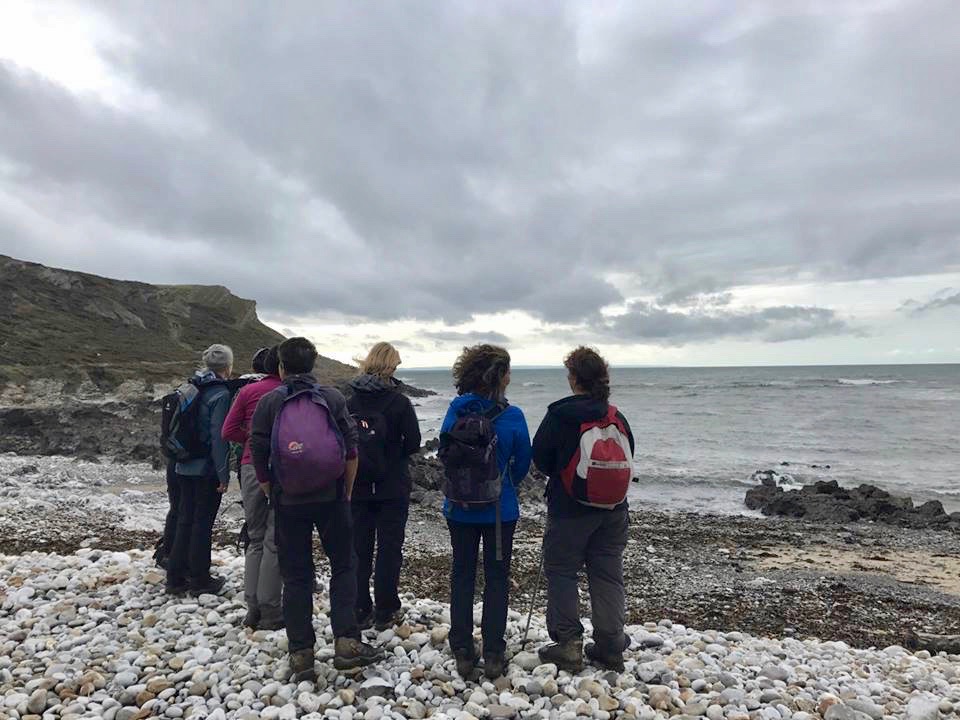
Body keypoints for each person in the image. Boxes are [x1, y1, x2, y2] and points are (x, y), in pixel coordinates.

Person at [250, 337, 382, 681]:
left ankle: (302, 654)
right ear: (314, 365)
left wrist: (272, 492)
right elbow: (351, 450)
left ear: (281, 367)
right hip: (331, 498)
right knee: (343, 566)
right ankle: (347, 644)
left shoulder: (269, 402)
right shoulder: (333, 397)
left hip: (288, 500)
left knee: (296, 575)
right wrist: (347, 492)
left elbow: (259, 456)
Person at [533, 347, 635, 673]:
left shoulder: (561, 416)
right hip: (614, 509)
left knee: (562, 570)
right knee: (607, 572)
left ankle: (568, 644)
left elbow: (541, 459)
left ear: (574, 379)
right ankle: (610, 645)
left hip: (569, 509)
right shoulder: (615, 416)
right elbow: (630, 452)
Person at [440, 344, 531, 679]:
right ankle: (493, 652)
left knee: (462, 575)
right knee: (496, 579)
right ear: (501, 376)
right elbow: (522, 463)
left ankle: (463, 649)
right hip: (499, 511)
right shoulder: (514, 416)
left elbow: (444, 449)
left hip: (459, 508)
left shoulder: (456, 409)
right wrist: (504, 486)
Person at [347, 342, 421, 632]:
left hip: (358, 485)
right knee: (390, 548)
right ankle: (386, 608)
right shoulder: (399, 402)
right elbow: (414, 442)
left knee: (359, 548)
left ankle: (360, 607)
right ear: (390, 366)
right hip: (392, 485)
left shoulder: (350, 401)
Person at [222, 345, 284, 630]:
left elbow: (227, 431)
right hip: (283, 466)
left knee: (255, 536)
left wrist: (249, 437)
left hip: (249, 464)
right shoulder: (287, 392)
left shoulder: (248, 392)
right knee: (275, 539)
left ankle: (252, 607)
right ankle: (271, 608)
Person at [165, 344, 234, 596]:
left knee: (184, 518)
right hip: (205, 468)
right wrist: (223, 474)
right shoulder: (220, 394)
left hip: (182, 465)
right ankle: (200, 579)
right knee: (202, 523)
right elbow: (219, 437)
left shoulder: (188, 387)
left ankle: (175, 577)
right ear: (228, 366)